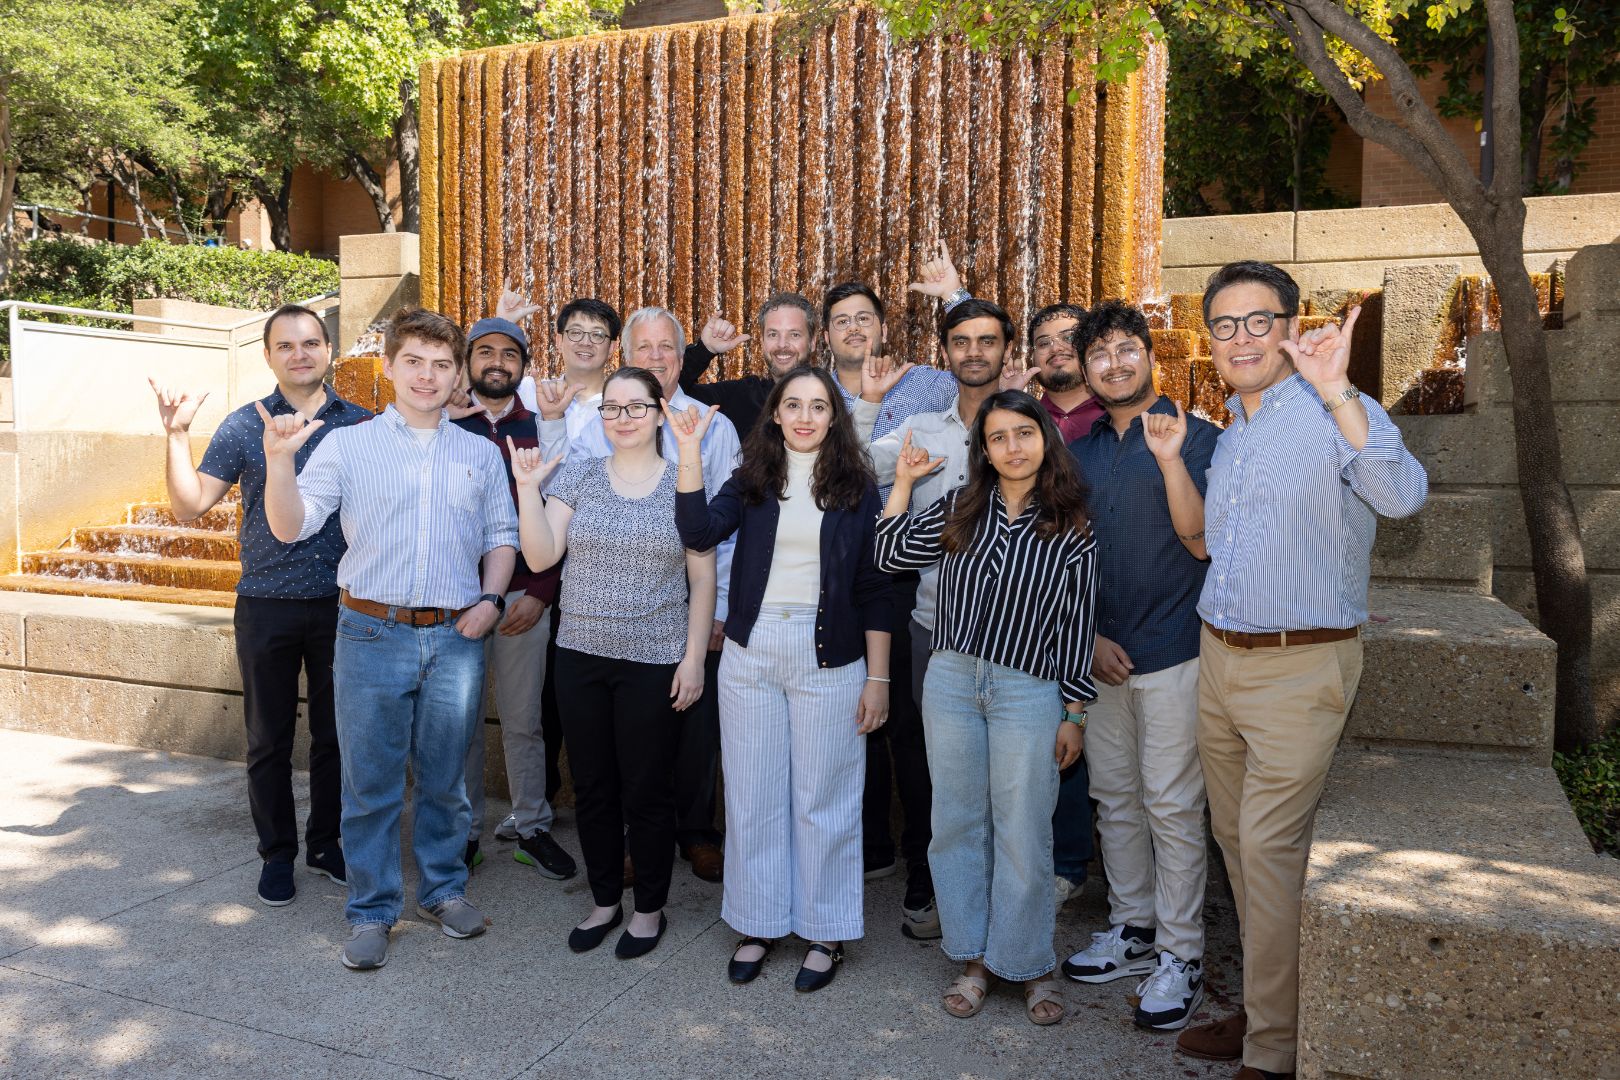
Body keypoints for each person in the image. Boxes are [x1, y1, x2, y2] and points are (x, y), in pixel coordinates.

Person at [1177, 262, 1427, 1080]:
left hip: (1302, 664)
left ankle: (1275, 1052)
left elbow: (1403, 496)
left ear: (1290, 326)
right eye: (1225, 324)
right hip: (1220, 659)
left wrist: (1340, 392)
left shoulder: (1331, 413)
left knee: (1269, 849)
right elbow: (1217, 547)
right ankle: (1267, 1009)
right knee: (1237, 849)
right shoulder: (1235, 430)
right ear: (1210, 339)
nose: (1241, 338)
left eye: (1259, 321)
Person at [260, 307, 520, 972]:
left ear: (456, 373)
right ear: (388, 368)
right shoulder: (347, 446)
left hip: (457, 635)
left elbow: (502, 535)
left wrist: (491, 600)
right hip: (370, 632)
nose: (427, 376)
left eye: (441, 364)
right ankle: (373, 910)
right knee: (370, 783)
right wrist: (279, 465)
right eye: (414, 362)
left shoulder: (479, 454)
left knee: (445, 783)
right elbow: (292, 527)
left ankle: (442, 890)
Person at [876, 390, 1099, 1026]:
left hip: (1028, 687)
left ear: (1045, 439)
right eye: (997, 437)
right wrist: (902, 481)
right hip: (949, 680)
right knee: (954, 823)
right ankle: (974, 958)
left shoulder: (1072, 524)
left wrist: (1074, 714)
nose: (1012, 447)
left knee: (1024, 830)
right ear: (984, 449)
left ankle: (1028, 962)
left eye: (1023, 433)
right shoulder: (958, 507)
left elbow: (1076, 626)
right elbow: (888, 553)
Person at [668, 367, 891, 992]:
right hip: (751, 652)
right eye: (792, 404)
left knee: (825, 798)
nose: (804, 416)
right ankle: (758, 921)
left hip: (832, 656)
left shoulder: (858, 488)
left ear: (834, 418)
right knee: (753, 793)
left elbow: (875, 588)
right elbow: (698, 533)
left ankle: (825, 931)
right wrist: (688, 454)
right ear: (774, 413)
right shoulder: (751, 480)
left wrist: (879, 678)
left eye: (818, 406)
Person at [150, 305, 369, 908]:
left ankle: (328, 845)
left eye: (311, 343)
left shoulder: (363, 425)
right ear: (268, 356)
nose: (300, 354)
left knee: (336, 737)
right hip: (266, 606)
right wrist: (175, 435)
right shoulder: (244, 426)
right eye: (286, 346)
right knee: (267, 740)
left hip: (343, 606)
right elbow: (190, 506)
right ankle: (277, 854)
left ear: (329, 351)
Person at [508, 367, 717, 958]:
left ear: (658, 414)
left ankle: (649, 909)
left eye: (635, 407)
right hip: (579, 655)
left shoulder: (685, 482)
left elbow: (703, 580)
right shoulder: (578, 475)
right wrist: (528, 491)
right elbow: (542, 553)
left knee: (647, 790)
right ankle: (604, 901)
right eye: (612, 408)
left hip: (655, 657)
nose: (623, 418)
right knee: (594, 787)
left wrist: (693, 660)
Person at [1061, 300, 1219, 1033]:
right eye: (1099, 354)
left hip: (1175, 652)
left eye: (1126, 350)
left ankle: (1182, 953)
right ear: (1084, 368)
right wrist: (1085, 635)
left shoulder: (1200, 440)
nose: (1114, 364)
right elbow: (1058, 555)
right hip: (1100, 657)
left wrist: (1171, 457)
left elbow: (1209, 544)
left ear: (1150, 356)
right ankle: (1134, 928)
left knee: (1172, 805)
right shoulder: (1077, 452)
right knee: (1115, 798)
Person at [542, 307, 741, 884]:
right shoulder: (600, 420)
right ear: (626, 358)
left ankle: (696, 832)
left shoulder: (713, 425)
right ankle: (625, 849)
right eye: (644, 348)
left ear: (683, 357)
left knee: (692, 732)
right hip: (599, 617)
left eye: (667, 348)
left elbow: (725, 528)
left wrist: (718, 612)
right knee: (619, 755)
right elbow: (565, 499)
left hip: (687, 600)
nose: (656, 357)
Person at [852, 297, 1019, 941]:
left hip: (1016, 633)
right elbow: (855, 469)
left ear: (1007, 350)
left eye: (987, 340)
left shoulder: (1030, 427)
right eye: (961, 341)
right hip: (934, 628)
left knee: (1006, 769)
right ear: (945, 351)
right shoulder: (919, 428)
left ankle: (1004, 896)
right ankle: (929, 879)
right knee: (928, 762)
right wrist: (867, 404)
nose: (974, 352)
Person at [452, 317, 577, 880]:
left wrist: (544, 593)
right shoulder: (446, 422)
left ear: (524, 365)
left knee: (526, 720)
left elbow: (568, 508)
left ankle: (532, 826)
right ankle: (464, 833)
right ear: (467, 361)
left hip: (526, 596)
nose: (497, 361)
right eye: (485, 352)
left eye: (510, 352)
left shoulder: (547, 426)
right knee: (460, 723)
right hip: (454, 600)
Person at [676, 292, 819, 436]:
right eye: (773, 334)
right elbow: (668, 393)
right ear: (762, 343)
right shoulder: (740, 396)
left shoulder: (831, 397)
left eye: (794, 334)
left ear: (812, 342)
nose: (782, 344)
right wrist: (704, 350)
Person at [1028, 304, 1105, 442]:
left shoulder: (1118, 413)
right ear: (1032, 357)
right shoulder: (1024, 418)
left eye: (1068, 338)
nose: (1056, 348)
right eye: (1044, 343)